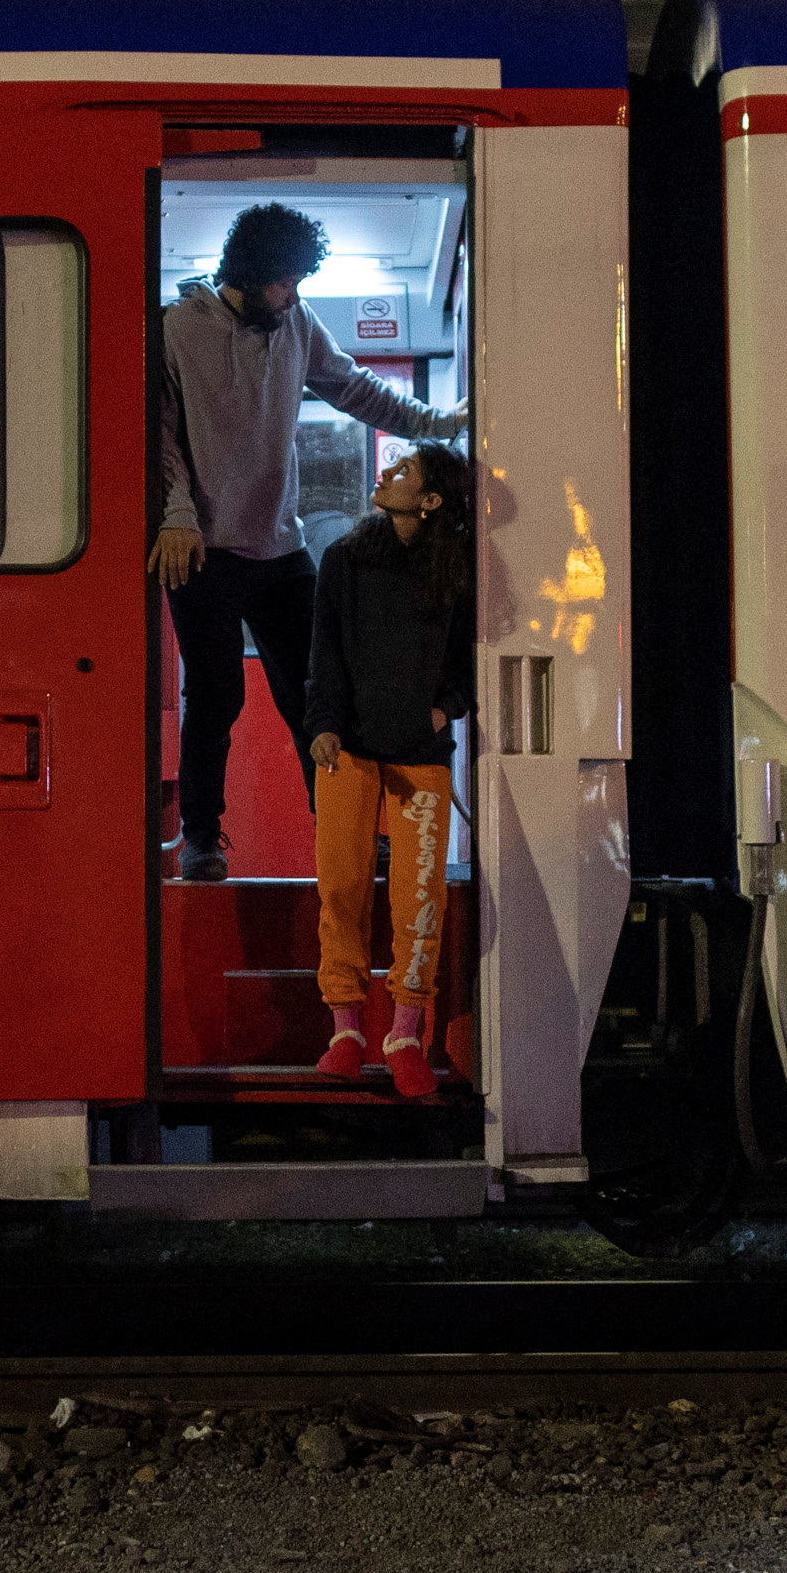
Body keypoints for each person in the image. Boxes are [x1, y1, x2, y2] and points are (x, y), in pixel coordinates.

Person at [155, 203, 466, 881]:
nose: (294, 295)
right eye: (286, 282)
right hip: (204, 548)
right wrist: (176, 515)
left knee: (317, 692)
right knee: (216, 696)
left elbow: (353, 388)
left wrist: (437, 423)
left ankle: (344, 826)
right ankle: (201, 839)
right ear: (250, 273)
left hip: (278, 545)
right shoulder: (178, 328)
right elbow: (161, 435)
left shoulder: (295, 323)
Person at [306, 441, 478, 1099]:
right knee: (342, 886)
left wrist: (441, 711)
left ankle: (405, 1033)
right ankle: (346, 1032)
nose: (387, 472)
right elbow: (324, 655)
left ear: (430, 501)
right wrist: (322, 726)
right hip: (348, 749)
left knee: (420, 899)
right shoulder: (345, 559)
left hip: (420, 754)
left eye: (404, 470)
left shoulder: (454, 570)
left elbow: (468, 663)